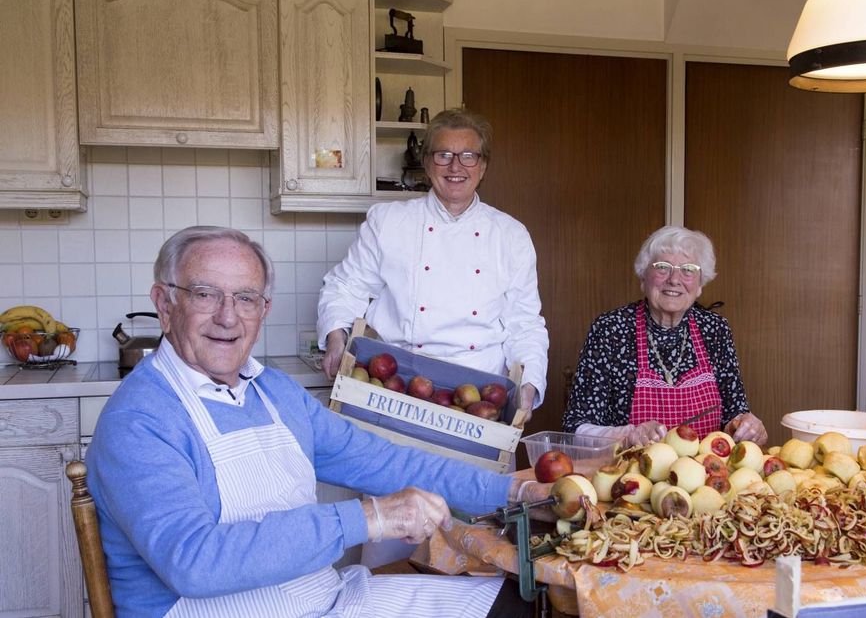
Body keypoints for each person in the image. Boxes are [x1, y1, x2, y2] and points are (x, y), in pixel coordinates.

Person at [85, 226, 552, 618]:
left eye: (246, 298)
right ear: (165, 304)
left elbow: (384, 462)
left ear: (263, 311)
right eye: (205, 294)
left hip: (320, 601)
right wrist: (369, 518)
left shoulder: (274, 392)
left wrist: (514, 491)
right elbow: (194, 562)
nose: (228, 317)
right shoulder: (140, 418)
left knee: (517, 605)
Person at [317, 108, 548, 421]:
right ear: (426, 163)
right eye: (443, 155)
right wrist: (335, 338)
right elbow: (347, 286)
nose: (456, 166)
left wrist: (529, 384)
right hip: (393, 387)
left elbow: (525, 322)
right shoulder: (388, 221)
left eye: (468, 155)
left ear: (483, 166)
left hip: (476, 400)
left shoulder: (511, 235)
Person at [562, 225, 768, 448]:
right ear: (644, 277)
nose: (674, 279)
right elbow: (575, 428)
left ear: (700, 284)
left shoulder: (715, 330)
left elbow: (734, 414)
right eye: (663, 267)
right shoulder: (611, 329)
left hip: (706, 476)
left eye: (688, 269)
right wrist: (627, 435)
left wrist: (746, 427)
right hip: (630, 477)